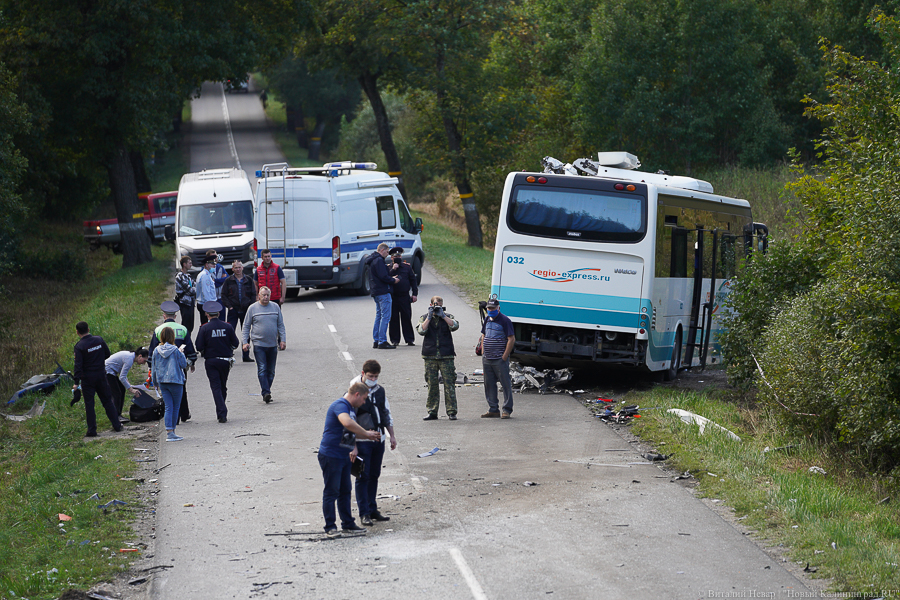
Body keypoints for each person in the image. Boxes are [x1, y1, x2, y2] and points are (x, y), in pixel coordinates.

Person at [317, 381, 381, 537]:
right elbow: (347, 423)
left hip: (343, 455)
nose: (364, 402)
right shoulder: (340, 405)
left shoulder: (350, 408)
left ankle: (348, 523)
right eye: (364, 398)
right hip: (331, 455)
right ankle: (330, 527)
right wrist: (366, 433)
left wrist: (367, 435)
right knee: (332, 491)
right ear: (357, 394)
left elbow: (348, 432)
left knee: (345, 491)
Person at [351, 360, 397, 526]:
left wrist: (391, 435)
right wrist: (353, 446)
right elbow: (348, 421)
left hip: (378, 440)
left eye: (376, 376)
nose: (373, 379)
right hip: (362, 441)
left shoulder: (379, 391)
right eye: (370, 376)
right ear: (363, 374)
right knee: (362, 477)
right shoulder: (354, 392)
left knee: (374, 475)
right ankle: (364, 513)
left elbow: (386, 413)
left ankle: (372, 508)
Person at [149, 301, 197, 423]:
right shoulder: (183, 329)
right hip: (178, 366)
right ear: (175, 316)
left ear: (164, 316)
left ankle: (172, 420)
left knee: (167, 395)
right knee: (182, 389)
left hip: (162, 367)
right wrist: (191, 362)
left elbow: (153, 350)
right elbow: (189, 348)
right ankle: (184, 413)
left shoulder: (158, 330)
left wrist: (151, 367)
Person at [72, 321, 122, 437]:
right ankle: (117, 425)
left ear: (77, 332)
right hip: (101, 375)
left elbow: (78, 366)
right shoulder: (99, 340)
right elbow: (107, 354)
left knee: (89, 404)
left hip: (88, 379)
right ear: (88, 329)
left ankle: (92, 430)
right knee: (107, 401)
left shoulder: (79, 347)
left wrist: (76, 382)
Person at [195, 301, 240, 423]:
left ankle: (222, 412)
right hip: (225, 361)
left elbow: (199, 346)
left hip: (211, 361)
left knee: (216, 387)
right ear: (219, 313)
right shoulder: (228, 326)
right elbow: (235, 343)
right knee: (223, 386)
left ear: (206, 314)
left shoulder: (204, 328)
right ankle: (222, 409)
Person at [417, 296, 460, 421]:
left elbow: (455, 326)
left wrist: (443, 316)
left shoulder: (448, 316)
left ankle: (452, 411)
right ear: (431, 304)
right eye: (435, 305)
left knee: (449, 384)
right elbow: (421, 330)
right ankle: (432, 411)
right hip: (430, 355)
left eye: (440, 305)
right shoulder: (424, 317)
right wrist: (429, 317)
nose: (437, 307)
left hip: (446, 355)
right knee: (432, 385)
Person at [242, 287, 286, 404]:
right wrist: (245, 342)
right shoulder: (252, 308)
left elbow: (280, 325)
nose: (266, 297)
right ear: (259, 296)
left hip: (272, 344)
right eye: (263, 295)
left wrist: (283, 340)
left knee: (271, 371)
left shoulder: (275, 307)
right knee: (262, 368)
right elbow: (246, 326)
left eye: (267, 295)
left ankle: (266, 390)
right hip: (258, 344)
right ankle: (266, 392)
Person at [478, 298, 516, 419]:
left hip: (499, 359)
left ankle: (507, 409)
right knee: (489, 384)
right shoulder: (487, 319)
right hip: (487, 358)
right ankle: (493, 409)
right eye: (489, 308)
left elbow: (511, 339)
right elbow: (483, 335)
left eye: (493, 308)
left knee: (505, 384)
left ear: (498, 308)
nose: (490, 310)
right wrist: (483, 351)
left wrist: (504, 356)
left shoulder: (505, 320)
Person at [151, 326, 188, 441]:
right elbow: (183, 364)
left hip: (163, 381)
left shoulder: (156, 350)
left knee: (168, 406)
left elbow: (154, 368)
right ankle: (172, 433)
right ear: (173, 337)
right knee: (176, 407)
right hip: (175, 380)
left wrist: (155, 382)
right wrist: (182, 353)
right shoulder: (175, 350)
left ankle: (169, 431)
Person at [221, 260, 257, 362]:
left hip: (246, 310)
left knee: (246, 332)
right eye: (235, 268)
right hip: (233, 310)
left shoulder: (249, 280)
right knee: (230, 331)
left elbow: (254, 294)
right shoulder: (228, 281)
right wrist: (230, 307)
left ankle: (246, 355)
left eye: (239, 267)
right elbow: (223, 295)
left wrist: (251, 306)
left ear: (242, 268)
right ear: (232, 269)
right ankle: (228, 353)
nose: (238, 269)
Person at [368, 243, 399, 349]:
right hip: (383, 292)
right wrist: (393, 280)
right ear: (382, 250)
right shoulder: (379, 261)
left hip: (376, 291)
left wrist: (391, 272)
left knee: (379, 316)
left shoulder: (373, 260)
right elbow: (383, 277)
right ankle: (382, 341)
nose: (387, 253)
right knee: (385, 317)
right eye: (387, 251)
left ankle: (376, 340)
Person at [104, 347, 149, 418]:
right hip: (107, 371)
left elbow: (123, 375)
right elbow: (122, 377)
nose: (143, 363)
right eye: (144, 361)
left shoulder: (131, 356)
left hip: (111, 371)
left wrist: (129, 385)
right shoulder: (129, 359)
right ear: (140, 356)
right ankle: (116, 416)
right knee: (117, 393)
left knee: (121, 390)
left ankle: (118, 414)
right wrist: (131, 390)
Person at [388, 247, 418, 347]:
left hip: (405, 296)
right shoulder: (388, 268)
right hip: (393, 297)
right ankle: (395, 340)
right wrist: (393, 269)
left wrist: (414, 294)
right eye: (396, 256)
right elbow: (386, 279)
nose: (398, 258)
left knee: (406, 318)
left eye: (399, 256)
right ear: (391, 257)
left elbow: (413, 281)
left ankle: (409, 339)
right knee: (394, 319)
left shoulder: (407, 267)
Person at [175, 255, 196, 333]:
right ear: (184, 264)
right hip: (184, 303)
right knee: (186, 324)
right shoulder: (179, 276)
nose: (191, 265)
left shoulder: (188, 276)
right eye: (189, 263)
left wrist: (194, 289)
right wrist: (194, 289)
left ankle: (188, 341)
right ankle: (184, 342)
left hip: (190, 303)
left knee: (191, 325)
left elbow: (195, 286)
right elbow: (190, 290)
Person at [196, 254, 218, 327]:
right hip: (205, 304)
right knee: (206, 326)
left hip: (205, 303)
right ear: (206, 264)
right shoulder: (205, 275)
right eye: (212, 264)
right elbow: (206, 292)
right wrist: (209, 307)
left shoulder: (207, 274)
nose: (214, 266)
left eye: (214, 264)